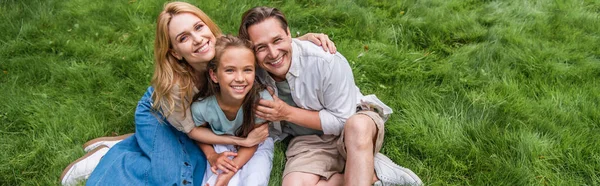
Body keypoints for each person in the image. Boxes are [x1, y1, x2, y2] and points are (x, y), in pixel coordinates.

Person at [58, 2, 336, 185]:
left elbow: (260, 49)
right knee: (174, 177)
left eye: (198, 27)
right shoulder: (175, 88)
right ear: (175, 53)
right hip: (163, 114)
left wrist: (302, 40)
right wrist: (236, 140)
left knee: (191, 169)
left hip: (200, 122)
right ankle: (114, 154)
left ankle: (139, 142)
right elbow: (193, 131)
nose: (198, 39)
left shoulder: (225, 51)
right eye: (183, 38)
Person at [238, 6, 423, 186]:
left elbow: (344, 119)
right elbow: (224, 55)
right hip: (308, 140)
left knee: (357, 126)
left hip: (352, 124)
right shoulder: (251, 71)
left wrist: (286, 113)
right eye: (261, 47)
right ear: (250, 51)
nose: (273, 53)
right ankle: (374, 173)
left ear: (288, 33)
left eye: (277, 40)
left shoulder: (326, 60)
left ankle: (360, 164)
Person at [191, 35, 276, 186]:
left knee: (253, 182)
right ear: (214, 75)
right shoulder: (202, 107)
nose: (240, 78)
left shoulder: (261, 102)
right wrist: (212, 155)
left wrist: (231, 172)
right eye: (230, 70)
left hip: (256, 147)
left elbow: (254, 140)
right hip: (220, 143)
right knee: (214, 182)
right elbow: (199, 135)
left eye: (247, 70)